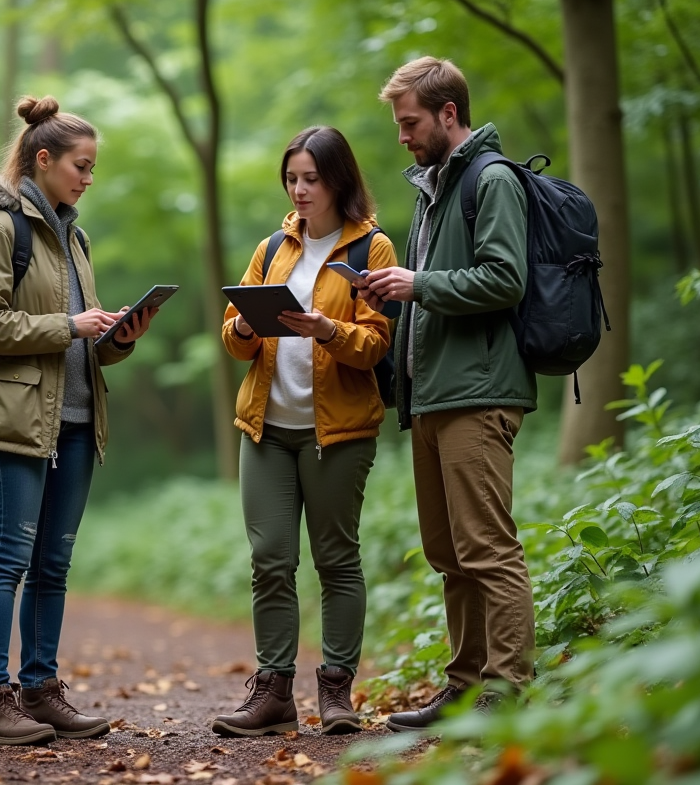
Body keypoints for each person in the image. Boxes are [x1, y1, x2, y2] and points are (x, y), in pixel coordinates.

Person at [0, 95, 157, 745]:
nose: (88, 178)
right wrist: (68, 325)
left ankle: (40, 691)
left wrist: (118, 337)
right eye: (82, 165)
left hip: (76, 421)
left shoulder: (76, 236)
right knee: (7, 559)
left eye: (93, 167)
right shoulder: (0, 228)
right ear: (43, 159)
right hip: (17, 419)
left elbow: (83, 338)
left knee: (53, 566)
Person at [359, 57, 537, 729]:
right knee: (449, 554)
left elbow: (505, 279)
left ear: (448, 114)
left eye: (410, 123)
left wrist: (418, 285)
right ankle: (464, 687)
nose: (403, 136)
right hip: (432, 395)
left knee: (487, 548)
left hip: (478, 393)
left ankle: (505, 691)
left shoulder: (491, 180)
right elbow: (430, 290)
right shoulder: (432, 190)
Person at [213, 126, 397, 737]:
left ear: (338, 180)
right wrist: (244, 330)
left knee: (336, 559)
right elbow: (233, 334)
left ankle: (337, 692)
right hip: (265, 430)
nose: (299, 190)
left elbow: (376, 344)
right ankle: (272, 693)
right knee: (270, 559)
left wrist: (328, 331)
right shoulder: (273, 246)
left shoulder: (371, 248)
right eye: (292, 178)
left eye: (311, 179)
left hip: (338, 433)